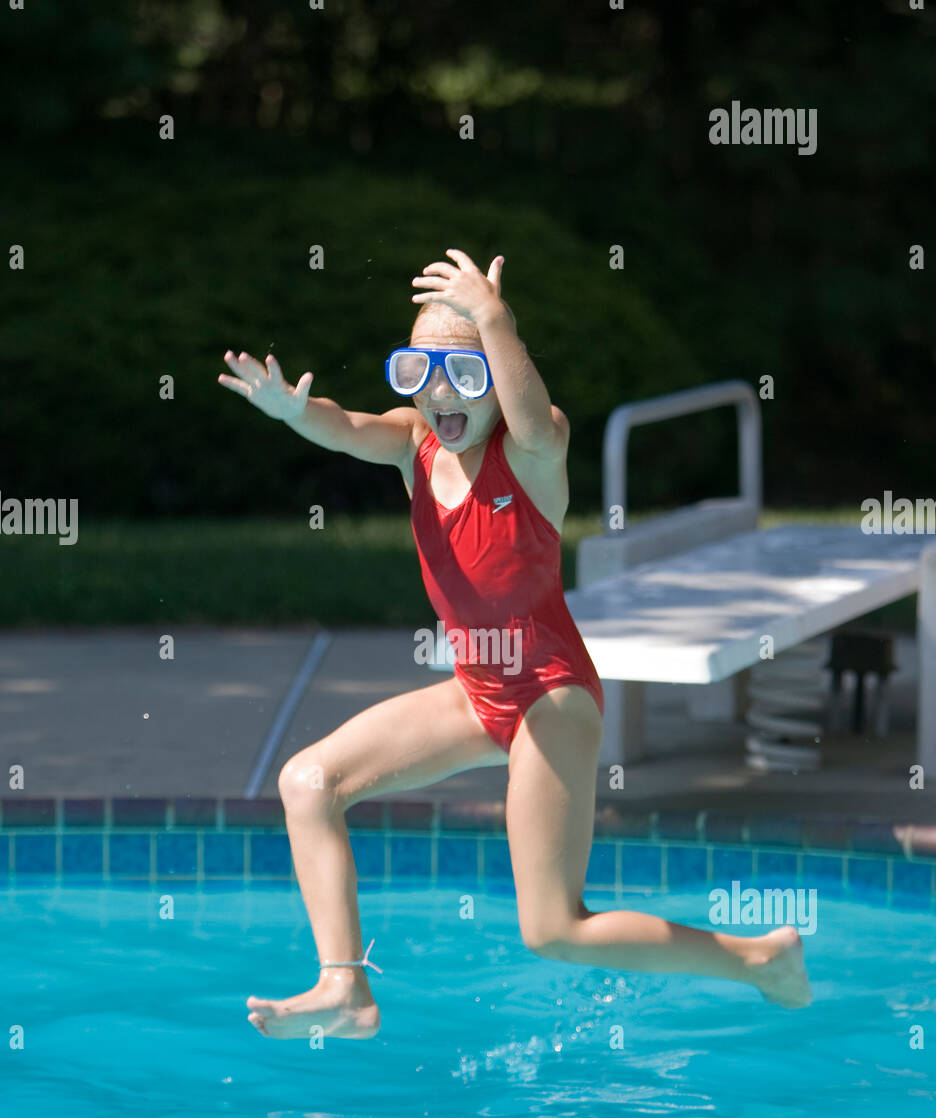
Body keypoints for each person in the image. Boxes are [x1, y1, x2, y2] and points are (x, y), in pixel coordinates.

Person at [218, 248, 811, 1039]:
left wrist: (494, 317)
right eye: (418, 373)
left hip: (551, 697)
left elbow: (533, 413)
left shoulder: (533, 452)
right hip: (479, 690)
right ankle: (346, 991)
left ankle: (758, 958)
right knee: (309, 782)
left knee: (553, 929)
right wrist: (293, 412)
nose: (440, 395)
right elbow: (346, 425)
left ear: (498, 372)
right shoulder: (413, 445)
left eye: (464, 374)